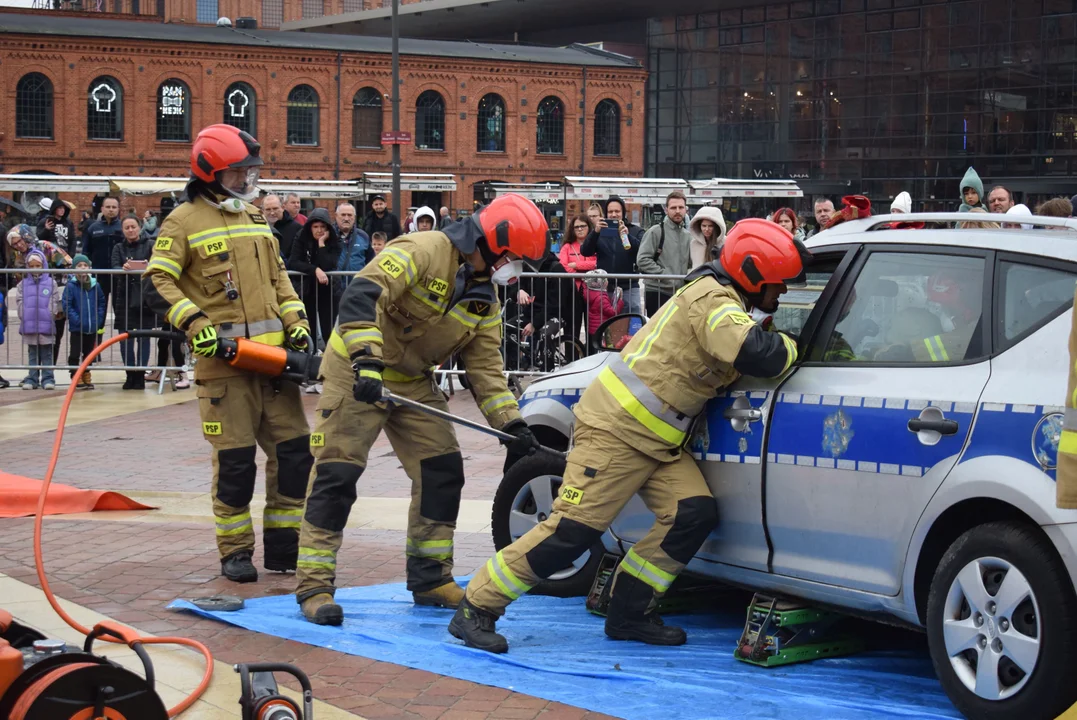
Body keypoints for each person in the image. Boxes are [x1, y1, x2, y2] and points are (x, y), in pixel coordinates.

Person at [450, 218, 806, 653]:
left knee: (692, 514)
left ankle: (629, 612)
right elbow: (757, 353)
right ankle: (477, 607)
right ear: (753, 274)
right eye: (780, 283)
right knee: (572, 533)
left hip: (657, 441)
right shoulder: (712, 300)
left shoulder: (721, 301)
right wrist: (795, 344)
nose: (784, 292)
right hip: (617, 433)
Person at [294, 193, 547, 626]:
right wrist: (367, 361)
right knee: (338, 473)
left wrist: (513, 424)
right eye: (517, 260)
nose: (516, 271)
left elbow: (485, 369)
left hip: (412, 380)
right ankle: (315, 585)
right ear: (495, 243)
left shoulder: (486, 298)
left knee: (443, 469)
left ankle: (430, 577)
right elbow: (361, 296)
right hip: (358, 370)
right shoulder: (424, 250)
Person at [143, 124, 314, 584]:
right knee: (236, 465)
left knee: (295, 455)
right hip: (225, 367)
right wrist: (196, 325)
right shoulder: (183, 221)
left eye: (249, 172)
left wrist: (296, 323)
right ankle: (235, 552)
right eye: (238, 173)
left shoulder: (255, 218)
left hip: (275, 366)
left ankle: (284, 547)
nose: (247, 181)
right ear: (211, 172)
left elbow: (279, 278)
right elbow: (158, 282)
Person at [289, 208, 343, 367]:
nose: (319, 230)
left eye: (322, 227)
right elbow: (294, 262)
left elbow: (329, 264)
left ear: (328, 229)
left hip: (328, 291)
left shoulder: (334, 241)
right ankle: (310, 366)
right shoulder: (301, 237)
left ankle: (331, 366)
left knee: (329, 330)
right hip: (307, 289)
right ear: (309, 227)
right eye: (315, 227)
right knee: (308, 328)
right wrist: (314, 270)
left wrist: (321, 244)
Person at [580, 196, 644, 315]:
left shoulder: (636, 231)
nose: (614, 215)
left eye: (617, 211)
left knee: (632, 324)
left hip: (629, 286)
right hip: (605, 288)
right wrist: (595, 232)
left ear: (623, 212)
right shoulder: (600, 232)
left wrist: (627, 236)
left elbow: (642, 251)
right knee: (608, 326)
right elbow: (585, 251)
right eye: (610, 211)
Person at [112, 216, 155, 390]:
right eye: (127, 227)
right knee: (125, 339)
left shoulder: (150, 245)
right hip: (125, 297)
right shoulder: (118, 247)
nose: (130, 230)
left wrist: (148, 265)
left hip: (145, 296)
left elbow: (159, 263)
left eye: (133, 226)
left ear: (139, 228)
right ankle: (130, 374)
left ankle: (140, 374)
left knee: (144, 338)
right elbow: (113, 267)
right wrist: (124, 268)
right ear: (123, 230)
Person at [638, 191, 692, 316]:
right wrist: (665, 275)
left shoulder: (688, 236)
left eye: (681, 207)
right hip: (658, 291)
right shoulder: (655, 232)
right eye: (673, 207)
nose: (677, 211)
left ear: (686, 210)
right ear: (666, 210)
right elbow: (642, 260)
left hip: (679, 293)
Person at [17, 249, 61, 391]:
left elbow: (54, 300)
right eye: (32, 266)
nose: (35, 269)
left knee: (47, 353)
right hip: (29, 324)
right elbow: (19, 301)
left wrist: (51, 313)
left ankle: (48, 378)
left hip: (46, 324)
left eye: (38, 265)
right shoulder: (22, 284)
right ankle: (32, 378)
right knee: (33, 353)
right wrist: (23, 314)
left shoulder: (51, 283)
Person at [62, 254, 106, 390]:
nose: (82, 268)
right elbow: (67, 305)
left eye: (85, 265)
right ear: (74, 269)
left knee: (89, 354)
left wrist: (98, 319)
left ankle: (86, 373)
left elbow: (101, 303)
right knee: (75, 353)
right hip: (77, 328)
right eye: (79, 266)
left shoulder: (95, 285)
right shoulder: (71, 286)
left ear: (89, 267)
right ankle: (75, 375)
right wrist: (77, 320)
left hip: (91, 327)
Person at [83, 196, 124, 326]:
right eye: (108, 207)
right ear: (102, 208)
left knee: (121, 315)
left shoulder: (124, 227)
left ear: (118, 209)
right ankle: (97, 343)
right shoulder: (93, 228)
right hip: (99, 277)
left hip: (120, 277)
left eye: (114, 207)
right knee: (98, 313)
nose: (111, 210)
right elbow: (86, 251)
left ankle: (124, 344)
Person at [559, 214, 598, 346]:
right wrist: (586, 273)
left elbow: (598, 264)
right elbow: (563, 267)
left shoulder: (596, 244)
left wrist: (576, 265)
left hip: (593, 293)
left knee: (593, 328)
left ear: (589, 227)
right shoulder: (567, 247)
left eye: (583, 226)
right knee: (571, 329)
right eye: (576, 227)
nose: (580, 229)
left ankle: (591, 357)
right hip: (573, 292)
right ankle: (571, 360)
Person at [582, 269, 623, 352]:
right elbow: (612, 312)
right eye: (606, 280)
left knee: (595, 347)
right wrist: (620, 301)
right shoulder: (601, 298)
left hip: (593, 327)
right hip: (602, 327)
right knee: (604, 347)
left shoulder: (590, 293)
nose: (607, 282)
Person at [261, 194, 303, 263]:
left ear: (283, 207)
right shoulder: (259, 227)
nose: (272, 213)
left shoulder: (296, 228)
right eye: (268, 209)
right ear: (262, 211)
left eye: (275, 208)